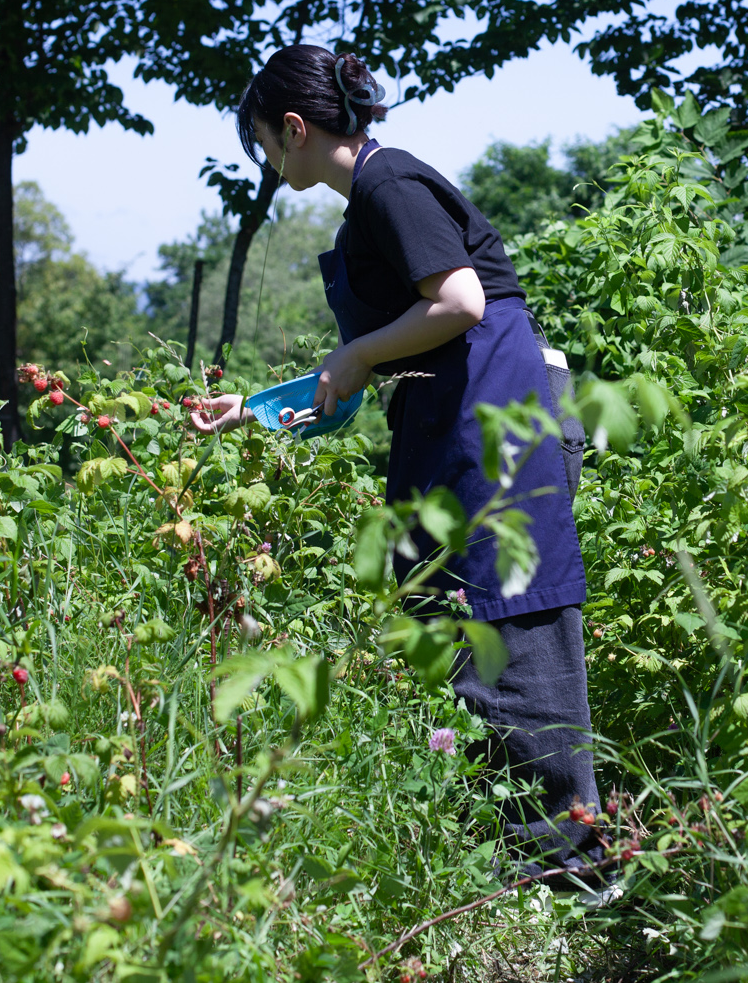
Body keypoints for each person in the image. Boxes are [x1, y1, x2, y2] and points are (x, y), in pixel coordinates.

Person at [191, 45, 606, 889]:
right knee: (464, 656)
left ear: (295, 128)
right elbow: (362, 369)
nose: (269, 160)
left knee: (515, 657)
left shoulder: (390, 184)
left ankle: (581, 894)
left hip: (496, 440)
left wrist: (361, 352)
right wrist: (258, 410)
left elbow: (461, 301)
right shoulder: (366, 209)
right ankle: (519, 896)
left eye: (264, 141)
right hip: (449, 437)